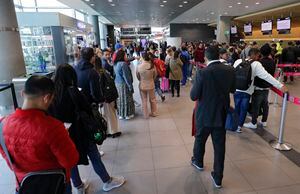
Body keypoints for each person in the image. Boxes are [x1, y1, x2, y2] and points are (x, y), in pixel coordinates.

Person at [50, 64, 125, 193]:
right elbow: (87, 109)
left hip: (63, 133)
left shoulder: (52, 95)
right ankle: (107, 181)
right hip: (81, 131)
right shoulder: (73, 91)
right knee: (94, 156)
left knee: (70, 161)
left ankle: (78, 186)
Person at [0, 76, 79, 193]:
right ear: (47, 98)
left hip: (24, 186)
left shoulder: (2, 125)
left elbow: (11, 164)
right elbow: (70, 161)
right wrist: (65, 137)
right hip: (55, 185)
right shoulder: (53, 127)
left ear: (22, 93)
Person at [190, 46, 236, 188]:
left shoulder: (202, 73)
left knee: (200, 139)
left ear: (206, 57)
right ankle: (218, 177)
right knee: (219, 146)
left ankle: (198, 161)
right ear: (220, 56)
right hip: (221, 114)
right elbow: (232, 89)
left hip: (204, 114)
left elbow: (194, 96)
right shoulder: (230, 70)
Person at [233, 48, 288, 133]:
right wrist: (280, 86)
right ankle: (239, 127)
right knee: (244, 108)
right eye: (258, 55)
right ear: (255, 54)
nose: (259, 57)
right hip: (247, 90)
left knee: (237, 107)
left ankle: (234, 124)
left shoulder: (238, 61)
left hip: (236, 89)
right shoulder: (256, 64)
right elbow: (267, 76)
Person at [243, 44, 276, 129]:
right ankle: (264, 121)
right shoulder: (272, 62)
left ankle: (254, 123)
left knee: (256, 105)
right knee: (265, 105)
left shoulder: (259, 62)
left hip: (258, 87)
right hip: (267, 87)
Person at [94, 57, 122, 138]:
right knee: (111, 114)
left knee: (105, 114)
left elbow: (100, 85)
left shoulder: (96, 72)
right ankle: (113, 130)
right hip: (109, 96)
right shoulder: (102, 70)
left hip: (104, 97)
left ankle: (108, 131)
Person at [114, 49, 135, 120]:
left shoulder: (115, 64)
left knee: (120, 100)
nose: (126, 56)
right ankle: (127, 114)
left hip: (118, 84)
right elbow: (126, 77)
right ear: (122, 56)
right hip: (124, 84)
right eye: (125, 55)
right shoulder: (123, 64)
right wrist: (130, 87)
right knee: (126, 99)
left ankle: (121, 114)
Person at [136, 52, 158, 118]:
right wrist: (151, 79)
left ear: (142, 58)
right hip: (151, 84)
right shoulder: (152, 66)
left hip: (142, 85)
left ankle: (145, 114)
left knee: (144, 100)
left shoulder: (139, 66)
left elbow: (138, 77)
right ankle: (154, 113)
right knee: (153, 99)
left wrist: (142, 80)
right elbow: (155, 75)